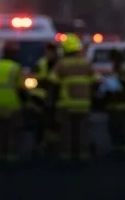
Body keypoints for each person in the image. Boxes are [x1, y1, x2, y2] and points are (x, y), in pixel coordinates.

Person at [51, 34, 98, 162]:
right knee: (82, 132)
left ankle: (66, 156)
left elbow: (52, 81)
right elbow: (96, 80)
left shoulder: (62, 64)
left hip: (66, 104)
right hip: (83, 105)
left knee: (66, 133)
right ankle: (83, 155)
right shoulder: (85, 63)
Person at [0, 43, 26, 162]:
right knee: (12, 132)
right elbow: (21, 87)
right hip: (12, 104)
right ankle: (10, 156)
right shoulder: (15, 67)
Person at [104, 49, 125, 156]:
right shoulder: (115, 69)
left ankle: (123, 149)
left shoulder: (123, 70)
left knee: (122, 128)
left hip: (123, 105)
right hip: (114, 105)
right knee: (114, 128)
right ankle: (118, 148)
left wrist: (117, 83)